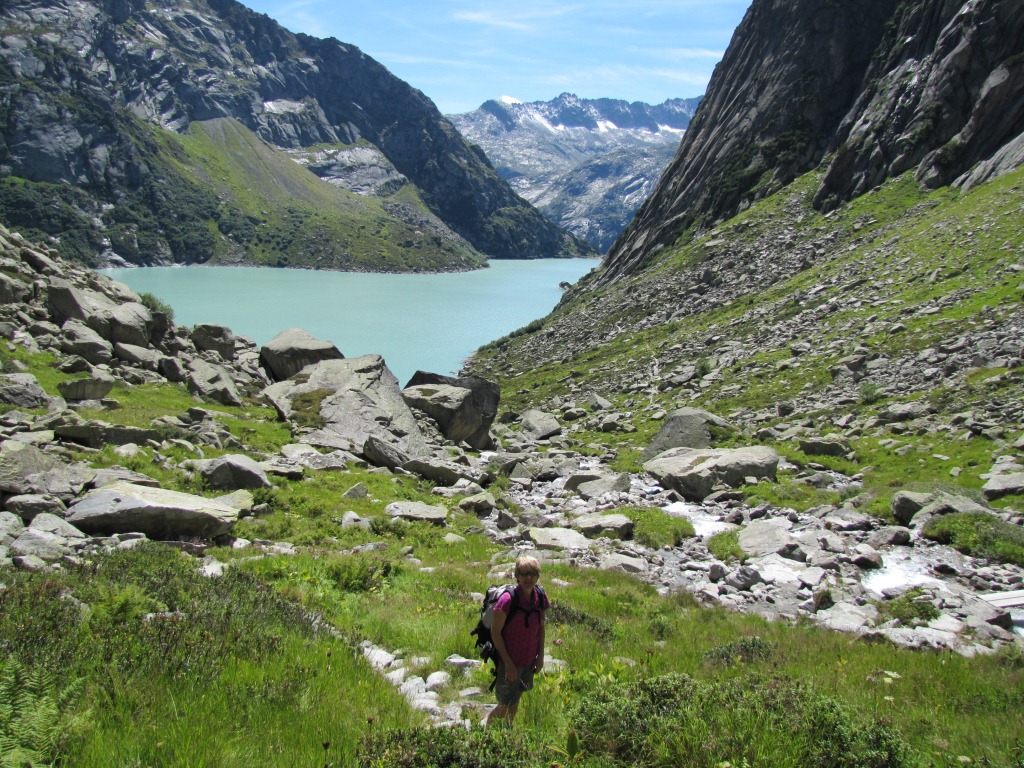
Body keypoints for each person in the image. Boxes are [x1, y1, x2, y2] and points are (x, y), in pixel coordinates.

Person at [485, 555, 550, 727]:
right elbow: (495, 632)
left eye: (532, 574)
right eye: (524, 574)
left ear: (538, 576)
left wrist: (540, 657)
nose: (528, 578)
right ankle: (485, 734)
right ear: (517, 576)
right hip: (510, 661)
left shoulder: (540, 596)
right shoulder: (507, 600)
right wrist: (508, 663)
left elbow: (541, 627)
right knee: (504, 704)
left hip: (528, 660)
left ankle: (506, 733)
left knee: (516, 699)